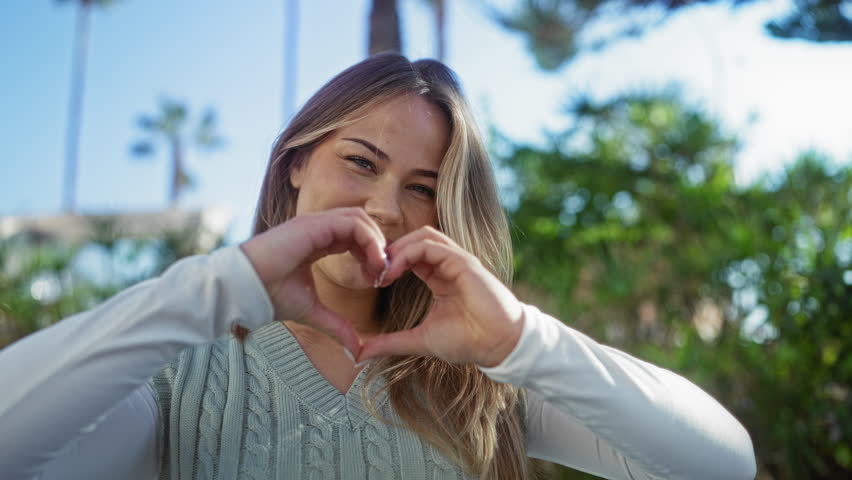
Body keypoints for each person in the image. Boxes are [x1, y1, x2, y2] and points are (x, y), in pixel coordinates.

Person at [0, 53, 756, 480]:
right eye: (360, 162)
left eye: (424, 189)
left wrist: (520, 342)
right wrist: (222, 287)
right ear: (295, 165)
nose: (387, 208)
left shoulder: (482, 388)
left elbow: (718, 465)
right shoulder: (181, 375)